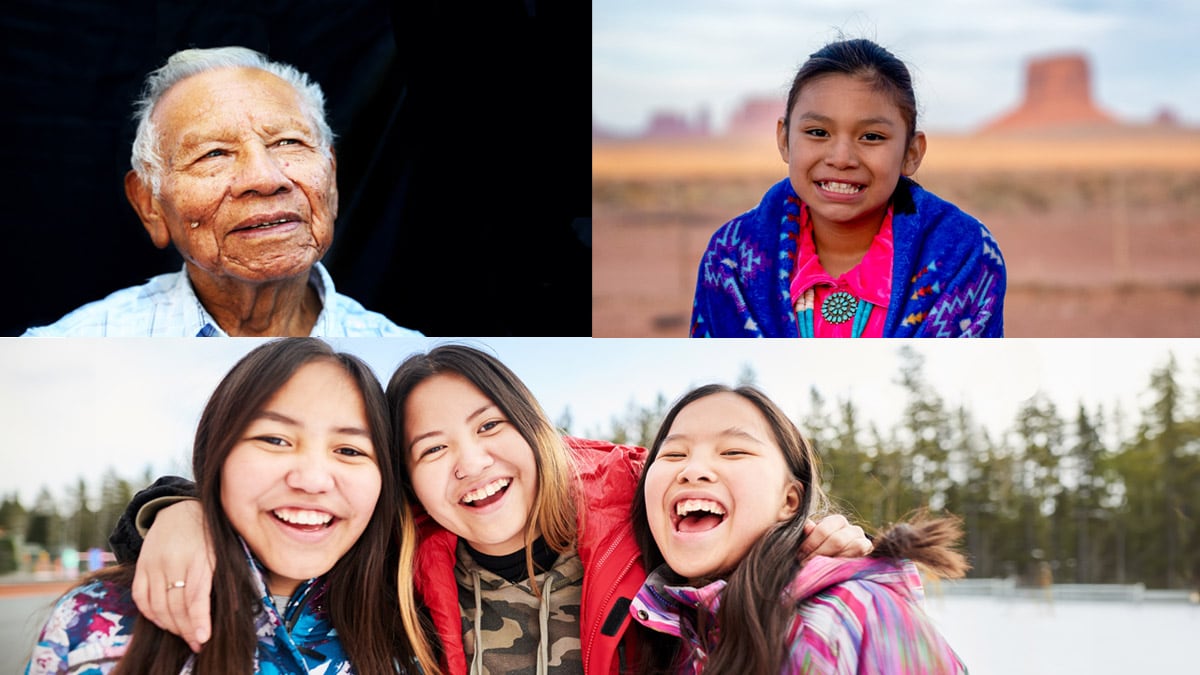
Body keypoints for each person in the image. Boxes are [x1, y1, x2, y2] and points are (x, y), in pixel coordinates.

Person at [114, 343, 873, 674]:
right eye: (430, 448)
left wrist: (814, 540)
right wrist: (176, 509)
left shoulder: (638, 505)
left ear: (535, 427)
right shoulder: (403, 557)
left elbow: (728, 495)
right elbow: (294, 506)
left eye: (488, 427)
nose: (471, 464)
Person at [24, 338, 436, 674]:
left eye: (349, 450)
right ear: (216, 455)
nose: (311, 480)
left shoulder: (420, 622)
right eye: (275, 440)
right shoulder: (95, 620)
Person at [21, 46, 422, 338]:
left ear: (331, 179)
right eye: (214, 153)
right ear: (150, 206)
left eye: (288, 143)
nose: (265, 179)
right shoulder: (68, 351)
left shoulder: (410, 363)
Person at [629, 383, 969, 673]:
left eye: (733, 451)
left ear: (790, 500)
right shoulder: (652, 630)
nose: (693, 469)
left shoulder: (853, 612)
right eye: (673, 454)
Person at [690, 38, 1005, 338]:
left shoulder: (963, 255)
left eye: (871, 137)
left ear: (911, 153)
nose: (841, 159)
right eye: (817, 132)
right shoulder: (730, 259)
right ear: (785, 141)